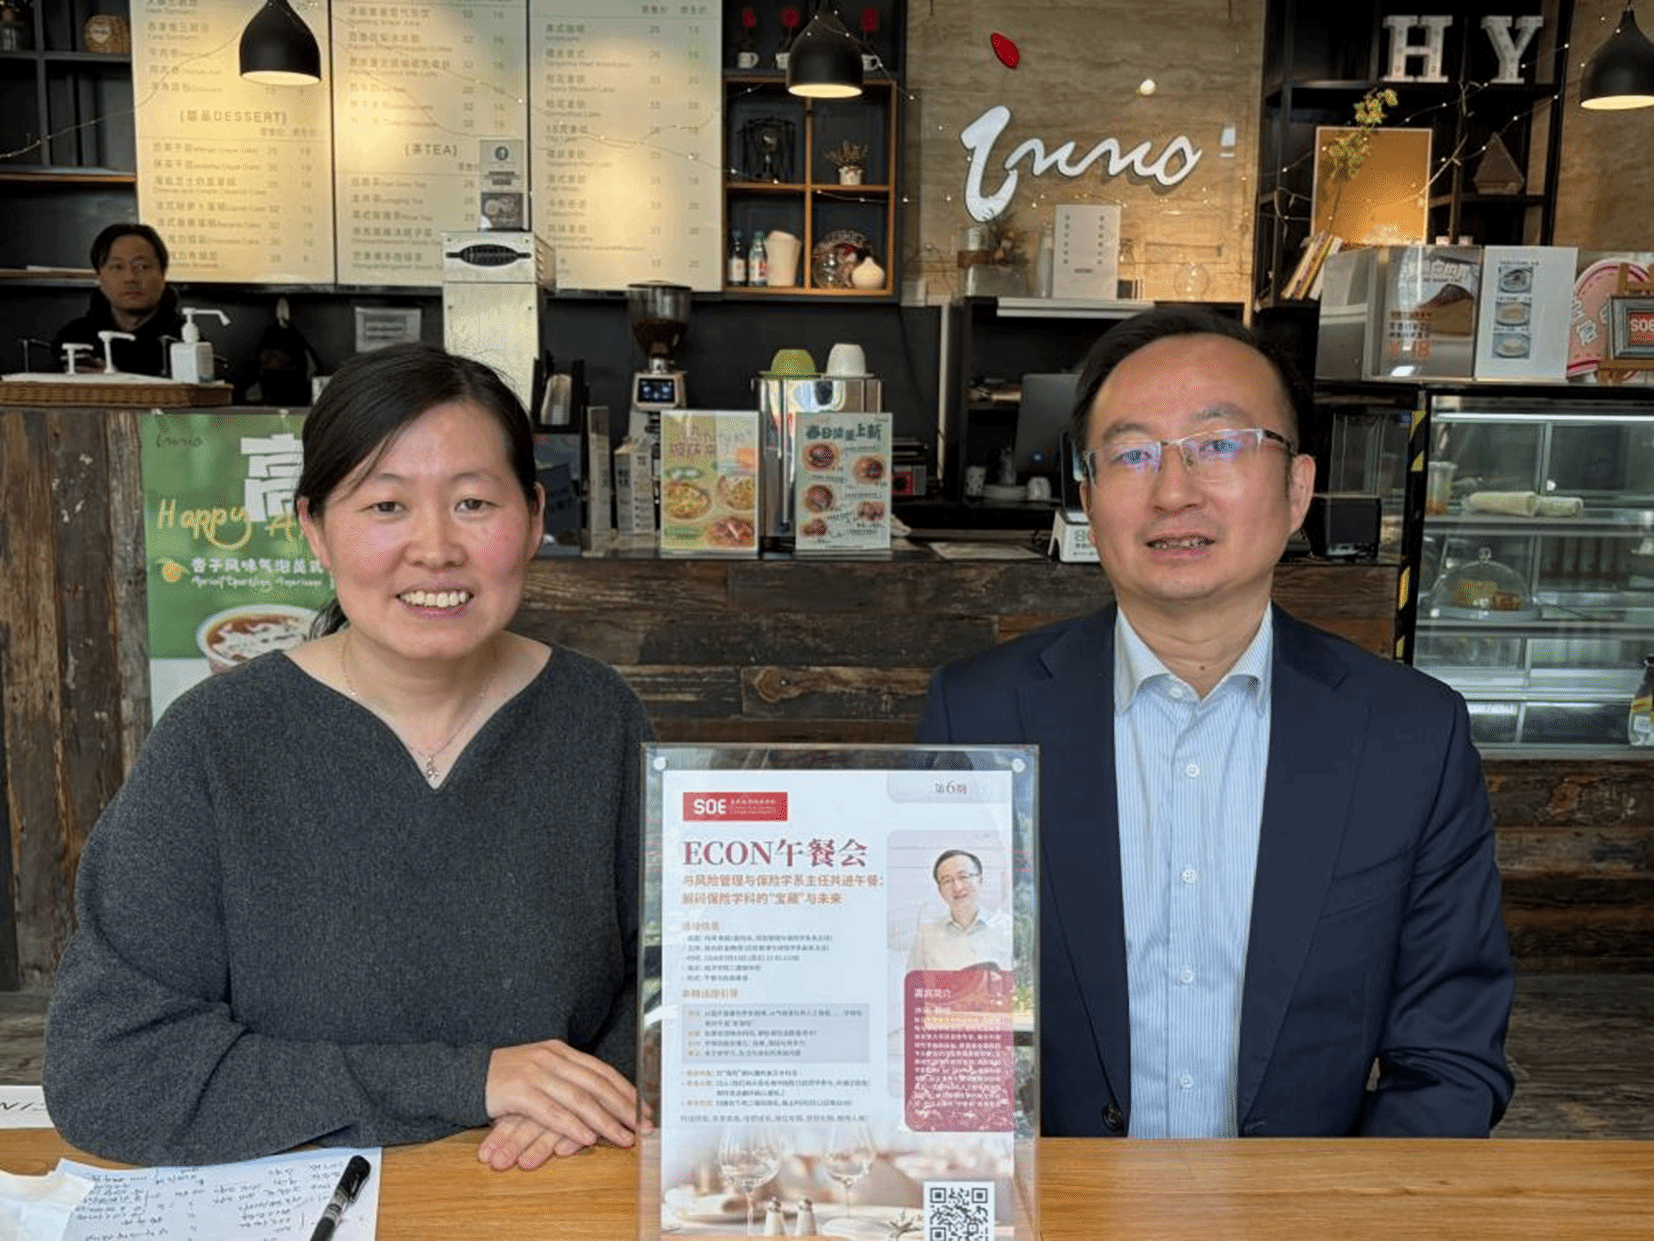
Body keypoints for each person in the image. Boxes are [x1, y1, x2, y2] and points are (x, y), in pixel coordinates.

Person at [44, 342, 653, 1171]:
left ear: (536, 516)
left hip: (546, 1183)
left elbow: (675, 981)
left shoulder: (599, 718)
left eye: (474, 502)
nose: (435, 547)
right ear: (314, 529)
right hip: (299, 1203)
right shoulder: (214, 743)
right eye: (385, 505)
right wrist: (471, 1080)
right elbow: (111, 1071)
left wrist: (591, 1088)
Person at [915, 307, 1514, 1139]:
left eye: (1220, 444)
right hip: (1057, 1203)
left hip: (1306, 1206)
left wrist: (1345, 1208)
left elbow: (1450, 1057)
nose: (1174, 490)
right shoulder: (977, 713)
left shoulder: (1411, 734)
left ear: (1297, 488)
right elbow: (944, 1017)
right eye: (1133, 454)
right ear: (1087, 498)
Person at [51, 223, 185, 375]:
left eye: (142, 267)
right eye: (117, 267)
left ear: (163, 273)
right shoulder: (73, 337)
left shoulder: (186, 342)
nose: (130, 278)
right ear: (99, 276)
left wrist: (117, 381)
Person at [906, 848, 1013, 971]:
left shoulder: (1008, 928)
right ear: (940, 890)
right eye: (947, 881)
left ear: (980, 880)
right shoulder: (926, 937)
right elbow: (913, 981)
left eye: (963, 877)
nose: (957, 887)